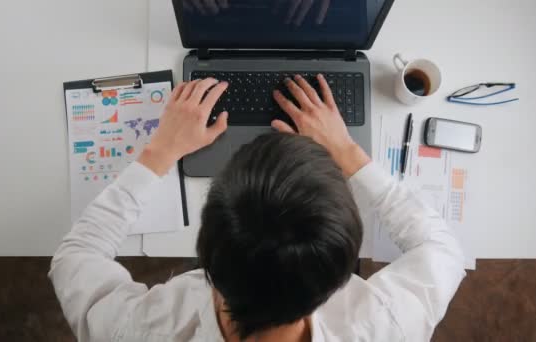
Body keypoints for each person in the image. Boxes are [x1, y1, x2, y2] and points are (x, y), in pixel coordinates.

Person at [49, 75, 466, 341]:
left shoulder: (139, 331)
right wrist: (347, 151)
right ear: (340, 277)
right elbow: (443, 252)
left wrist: (160, 151)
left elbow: (76, 256)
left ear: (205, 250)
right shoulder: (384, 326)